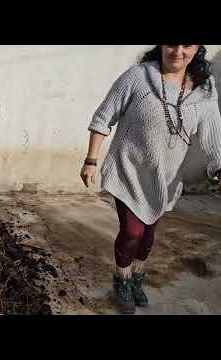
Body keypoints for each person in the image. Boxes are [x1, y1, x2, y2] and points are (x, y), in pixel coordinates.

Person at [80, 45, 221, 314]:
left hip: (165, 179)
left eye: (187, 45)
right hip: (128, 170)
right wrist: (91, 160)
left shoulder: (205, 90)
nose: (178, 51)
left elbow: (214, 136)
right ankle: (122, 279)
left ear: (198, 48)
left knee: (147, 237)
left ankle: (136, 277)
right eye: (171, 43)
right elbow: (103, 116)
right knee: (132, 232)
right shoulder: (138, 76)